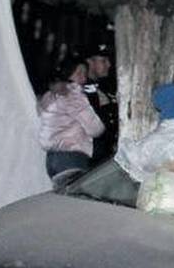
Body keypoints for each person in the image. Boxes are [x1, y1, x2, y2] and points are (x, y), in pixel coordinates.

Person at [36, 56, 105, 184]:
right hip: (72, 157)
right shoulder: (72, 95)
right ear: (67, 74)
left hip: (52, 159)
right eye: (79, 73)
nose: (83, 78)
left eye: (85, 73)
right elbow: (95, 128)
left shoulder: (50, 95)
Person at [84, 43, 118, 162]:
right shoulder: (78, 93)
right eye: (103, 61)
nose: (108, 64)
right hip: (93, 159)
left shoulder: (107, 87)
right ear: (89, 63)